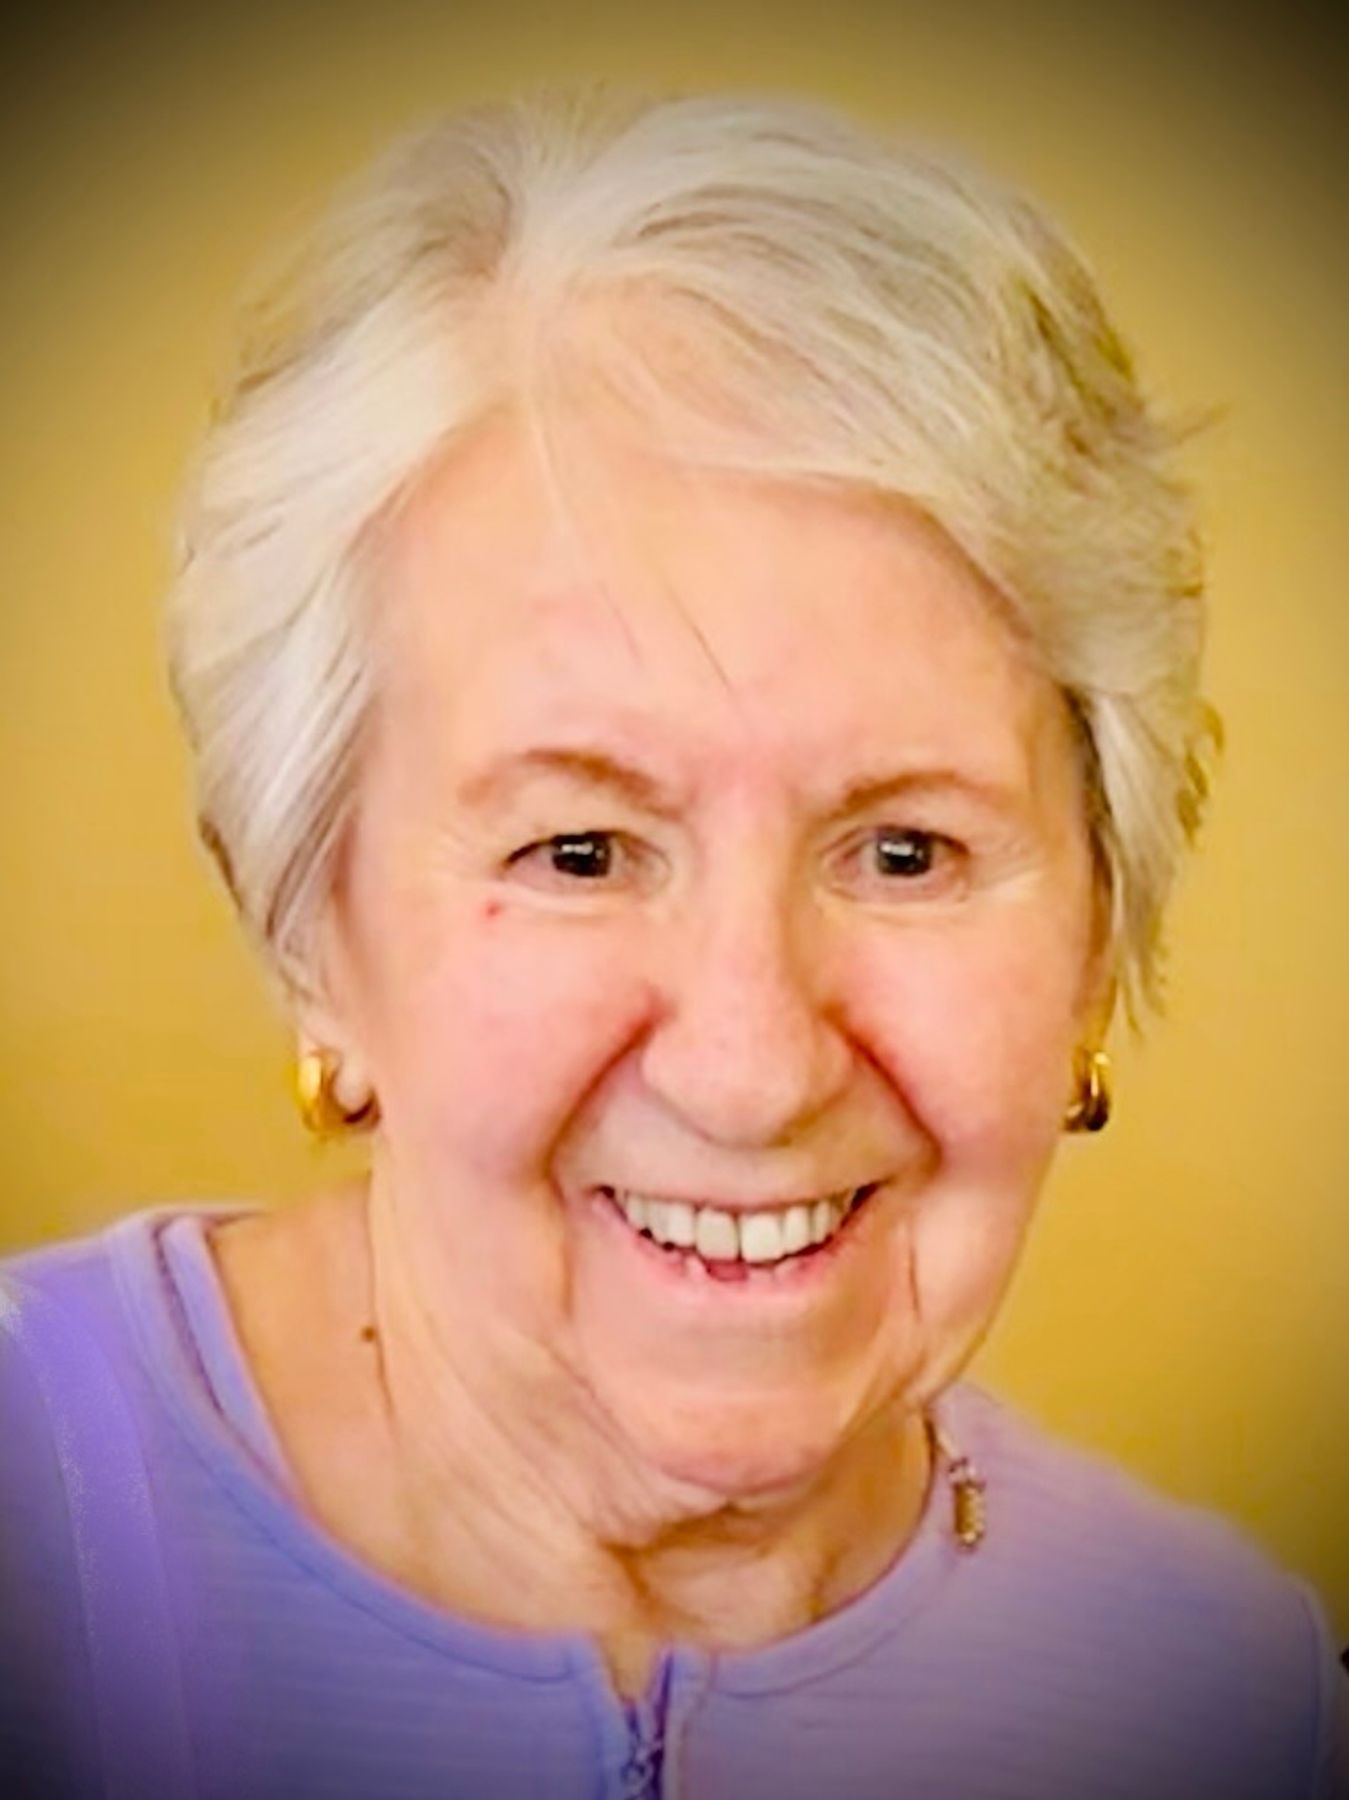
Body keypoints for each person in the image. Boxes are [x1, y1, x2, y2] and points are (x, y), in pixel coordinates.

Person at [1, 87, 1344, 1800]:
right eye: (579, 851)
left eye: (906, 851)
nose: (750, 1067)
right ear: (311, 929)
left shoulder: (1225, 1696)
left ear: (1097, 936)